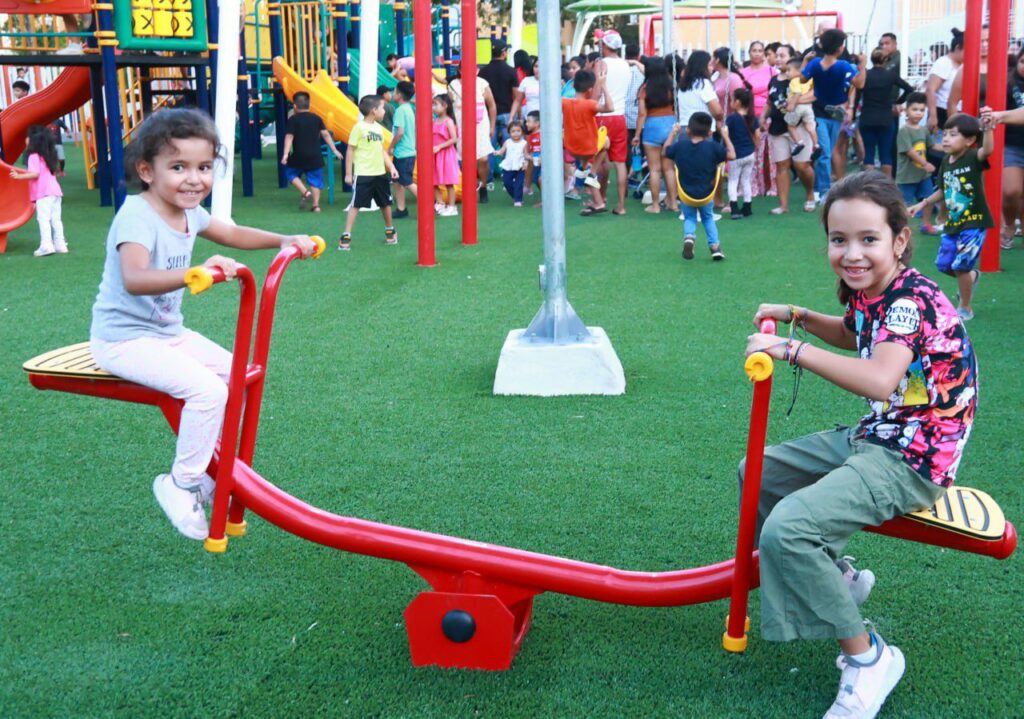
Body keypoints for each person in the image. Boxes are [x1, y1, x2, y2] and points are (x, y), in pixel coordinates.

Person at [744, 171, 977, 719]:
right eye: (839, 239)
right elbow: (856, 334)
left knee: (789, 528)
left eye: (868, 239)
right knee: (759, 472)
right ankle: (836, 578)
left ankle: (870, 658)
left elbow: (878, 378)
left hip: (913, 456)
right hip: (881, 432)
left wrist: (791, 350)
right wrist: (798, 317)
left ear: (899, 240)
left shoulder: (908, 301)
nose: (852, 253)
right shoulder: (875, 291)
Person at [88, 108, 317, 540]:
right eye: (179, 167)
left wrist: (282, 240)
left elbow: (231, 233)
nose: (194, 179)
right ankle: (181, 483)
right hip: (122, 340)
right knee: (207, 390)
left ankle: (212, 470)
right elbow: (135, 278)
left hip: (166, 334)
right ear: (147, 171)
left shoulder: (190, 212)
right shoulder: (137, 216)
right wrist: (194, 272)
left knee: (238, 375)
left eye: (204, 167)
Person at [909, 113, 995, 321]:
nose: (946, 139)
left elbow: (988, 150)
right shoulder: (946, 162)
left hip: (974, 222)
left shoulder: (972, 157)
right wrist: (923, 203)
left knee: (960, 266)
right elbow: (943, 190)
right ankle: (972, 277)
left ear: (969, 140)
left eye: (953, 135)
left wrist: (988, 129)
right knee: (944, 265)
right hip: (954, 223)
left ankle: (965, 307)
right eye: (945, 134)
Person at [799, 28, 866, 198]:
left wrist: (805, 61)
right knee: (825, 152)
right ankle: (823, 191)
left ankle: (819, 188)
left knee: (826, 152)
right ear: (840, 48)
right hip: (820, 114)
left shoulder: (817, 63)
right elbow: (860, 84)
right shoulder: (844, 66)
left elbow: (802, 79)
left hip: (833, 114)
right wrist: (863, 65)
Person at [664, 112, 735, 261]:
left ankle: (689, 236)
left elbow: (665, 151)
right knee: (707, 218)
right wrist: (725, 136)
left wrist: (673, 133)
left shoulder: (680, 146)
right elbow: (732, 155)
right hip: (706, 194)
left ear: (687, 130)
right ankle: (715, 247)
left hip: (686, 193)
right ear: (710, 133)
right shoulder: (713, 148)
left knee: (690, 217)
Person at [340, 95, 400, 249]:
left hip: (380, 173)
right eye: (382, 108)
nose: (384, 111)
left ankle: (390, 230)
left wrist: (391, 167)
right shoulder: (358, 128)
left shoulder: (378, 128)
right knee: (356, 204)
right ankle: (346, 235)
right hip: (363, 174)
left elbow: (382, 151)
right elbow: (350, 150)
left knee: (385, 203)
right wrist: (348, 173)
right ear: (374, 110)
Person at [763, 45, 815, 214]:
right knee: (781, 165)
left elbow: (814, 95)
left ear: (792, 59)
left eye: (782, 56)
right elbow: (769, 102)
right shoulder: (774, 80)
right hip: (778, 128)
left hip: (798, 126)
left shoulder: (802, 78)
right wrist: (762, 117)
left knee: (802, 166)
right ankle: (783, 205)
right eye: (777, 55)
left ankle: (810, 194)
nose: (778, 59)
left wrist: (794, 102)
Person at [8, 125, 67, 257]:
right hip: (55, 192)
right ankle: (60, 244)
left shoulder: (33, 156)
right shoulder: (47, 156)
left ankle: (46, 245)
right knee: (56, 219)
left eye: (28, 137)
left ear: (33, 140)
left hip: (44, 193)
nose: (26, 139)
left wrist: (18, 176)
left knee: (43, 219)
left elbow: (35, 174)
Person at [281, 91, 342, 214]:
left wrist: (286, 154)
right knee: (315, 180)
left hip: (299, 155)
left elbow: (289, 137)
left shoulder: (293, 119)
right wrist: (334, 150)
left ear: (295, 106)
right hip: (315, 156)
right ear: (309, 105)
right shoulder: (316, 118)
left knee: (290, 173)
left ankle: (305, 192)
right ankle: (316, 206)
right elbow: (325, 134)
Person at [562, 68, 613, 215]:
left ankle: (598, 202)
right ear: (590, 90)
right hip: (588, 149)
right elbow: (610, 108)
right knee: (606, 141)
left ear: (573, 86)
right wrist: (603, 86)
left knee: (587, 169)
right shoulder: (590, 104)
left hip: (571, 149)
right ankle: (591, 171)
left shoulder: (564, 102)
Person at [633, 57, 679, 214]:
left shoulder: (645, 88)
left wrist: (637, 135)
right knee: (669, 169)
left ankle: (655, 205)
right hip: (670, 125)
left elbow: (642, 114)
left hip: (652, 127)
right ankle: (673, 203)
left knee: (654, 170)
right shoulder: (671, 86)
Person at [857, 48, 913, 177]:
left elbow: (857, 97)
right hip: (886, 117)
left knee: (869, 153)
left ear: (871, 59)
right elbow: (909, 89)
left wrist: (853, 113)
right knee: (886, 154)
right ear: (886, 60)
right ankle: (887, 183)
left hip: (867, 116)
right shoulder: (890, 75)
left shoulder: (866, 75)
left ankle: (869, 183)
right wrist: (897, 102)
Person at [988, 49, 1024, 249]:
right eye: (1023, 61)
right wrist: (999, 116)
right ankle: (1009, 223)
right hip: (1013, 145)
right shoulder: (1008, 83)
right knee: (1011, 191)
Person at [594, 29, 631, 216]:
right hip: (620, 115)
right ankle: (621, 205)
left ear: (605, 45)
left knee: (600, 158)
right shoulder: (625, 65)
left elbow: (597, 92)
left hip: (602, 114)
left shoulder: (601, 64)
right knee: (620, 162)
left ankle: (600, 198)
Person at [448, 63, 497, 203]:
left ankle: (483, 185)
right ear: (459, 70)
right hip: (461, 125)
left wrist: (492, 126)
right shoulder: (453, 85)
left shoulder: (482, 83)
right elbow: (449, 106)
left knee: (483, 158)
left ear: (477, 71)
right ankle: (470, 186)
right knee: (464, 158)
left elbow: (492, 105)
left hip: (480, 125)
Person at [895, 93, 939, 232]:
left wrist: (948, 147)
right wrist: (925, 164)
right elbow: (909, 151)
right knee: (903, 205)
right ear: (906, 111)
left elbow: (932, 145)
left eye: (922, 110)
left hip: (922, 175)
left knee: (928, 200)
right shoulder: (904, 131)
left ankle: (926, 224)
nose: (918, 113)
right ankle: (901, 229)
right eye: (914, 109)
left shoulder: (924, 130)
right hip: (907, 176)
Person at [478, 40, 519, 165]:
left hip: (487, 115)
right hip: (507, 113)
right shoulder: (511, 71)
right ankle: (509, 171)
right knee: (510, 146)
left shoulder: (483, 72)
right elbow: (516, 96)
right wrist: (517, 115)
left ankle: (489, 175)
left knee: (488, 147)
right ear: (504, 53)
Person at [725, 88, 760, 219]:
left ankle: (734, 208)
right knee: (746, 180)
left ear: (738, 102)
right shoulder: (752, 117)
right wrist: (755, 147)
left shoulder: (732, 118)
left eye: (732, 100)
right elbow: (757, 134)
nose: (731, 103)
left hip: (736, 155)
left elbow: (726, 133)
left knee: (733, 181)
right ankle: (747, 206)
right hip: (750, 153)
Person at [388, 81, 417, 219]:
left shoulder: (400, 110)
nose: (392, 93)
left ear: (399, 94)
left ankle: (430, 204)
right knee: (397, 181)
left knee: (406, 181)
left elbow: (400, 132)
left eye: (394, 91)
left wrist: (391, 146)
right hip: (406, 151)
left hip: (403, 152)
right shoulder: (409, 108)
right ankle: (401, 209)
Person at [783, 56, 821, 159]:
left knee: (790, 126)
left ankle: (799, 142)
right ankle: (816, 145)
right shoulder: (809, 80)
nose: (787, 73)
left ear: (798, 71)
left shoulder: (794, 81)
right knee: (810, 127)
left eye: (789, 70)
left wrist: (791, 105)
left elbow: (797, 93)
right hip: (808, 107)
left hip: (798, 107)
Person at [431, 93, 459, 217]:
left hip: (446, 154)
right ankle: (440, 203)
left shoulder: (449, 121)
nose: (433, 107)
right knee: (434, 181)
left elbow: (454, 139)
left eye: (436, 104)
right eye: (433, 104)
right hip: (435, 154)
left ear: (445, 106)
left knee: (448, 182)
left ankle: (452, 207)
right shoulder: (434, 121)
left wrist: (440, 146)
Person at [494, 120, 528, 206]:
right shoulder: (507, 142)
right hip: (508, 166)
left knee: (519, 184)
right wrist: (497, 152)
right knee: (507, 182)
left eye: (518, 131)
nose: (516, 133)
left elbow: (526, 154)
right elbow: (501, 151)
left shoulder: (524, 143)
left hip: (520, 166)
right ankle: (515, 196)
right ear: (509, 132)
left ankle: (518, 200)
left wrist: (526, 162)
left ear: (522, 132)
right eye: (513, 131)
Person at [623, 43, 645, 148]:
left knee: (626, 150)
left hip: (623, 118)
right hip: (639, 119)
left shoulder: (621, 71)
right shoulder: (643, 72)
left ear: (625, 55)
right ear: (638, 56)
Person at [510, 57, 540, 122]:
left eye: (541, 66)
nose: (538, 69)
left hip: (547, 121)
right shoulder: (526, 81)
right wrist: (511, 118)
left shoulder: (551, 82)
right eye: (536, 66)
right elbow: (517, 101)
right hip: (529, 120)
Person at [524, 110, 541, 197]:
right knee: (536, 179)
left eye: (528, 121)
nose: (526, 124)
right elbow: (529, 150)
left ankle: (546, 200)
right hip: (534, 161)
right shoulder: (530, 135)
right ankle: (545, 198)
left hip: (542, 162)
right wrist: (527, 156)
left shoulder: (543, 134)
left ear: (537, 123)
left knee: (540, 179)